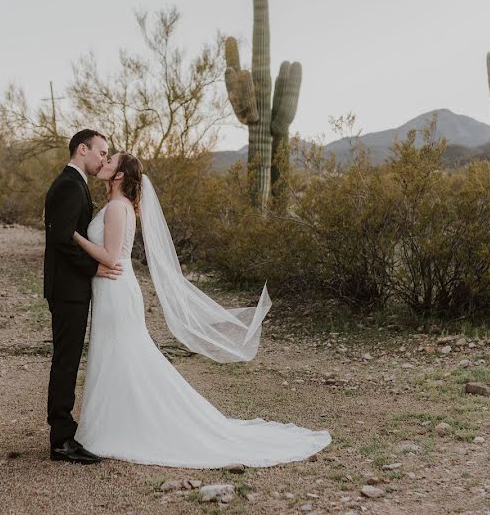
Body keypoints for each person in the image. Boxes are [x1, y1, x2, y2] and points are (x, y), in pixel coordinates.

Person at [70, 151, 331, 468]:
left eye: (110, 160)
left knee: (120, 354)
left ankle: (119, 427)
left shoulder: (116, 208)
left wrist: (73, 236)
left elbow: (111, 258)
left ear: (120, 175)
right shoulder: (118, 206)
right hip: (114, 290)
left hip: (115, 290)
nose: (105, 161)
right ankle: (115, 421)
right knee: (117, 356)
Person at [42, 129, 121, 464]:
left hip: (70, 288)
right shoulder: (69, 185)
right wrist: (94, 269)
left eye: (106, 155)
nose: (103, 158)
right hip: (67, 289)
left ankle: (65, 432)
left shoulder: (73, 184)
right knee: (66, 361)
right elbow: (62, 240)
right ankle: (61, 440)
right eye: (101, 152)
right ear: (83, 149)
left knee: (69, 359)